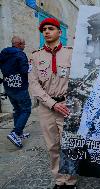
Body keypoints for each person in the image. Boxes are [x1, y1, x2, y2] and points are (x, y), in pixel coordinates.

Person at [28, 18, 77, 189]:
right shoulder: (36, 56)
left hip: (68, 106)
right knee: (52, 146)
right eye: (44, 30)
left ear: (59, 32)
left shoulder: (72, 53)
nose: (46, 32)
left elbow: (78, 81)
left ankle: (70, 180)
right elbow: (33, 84)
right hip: (47, 107)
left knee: (69, 145)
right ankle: (59, 180)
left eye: (51, 28)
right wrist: (52, 104)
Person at [0, 36, 31, 148]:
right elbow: (24, 70)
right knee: (26, 109)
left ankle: (19, 133)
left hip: (8, 87)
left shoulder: (3, 53)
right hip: (19, 87)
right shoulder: (20, 54)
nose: (24, 46)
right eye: (23, 44)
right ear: (19, 44)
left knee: (17, 109)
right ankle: (16, 133)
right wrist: (30, 67)